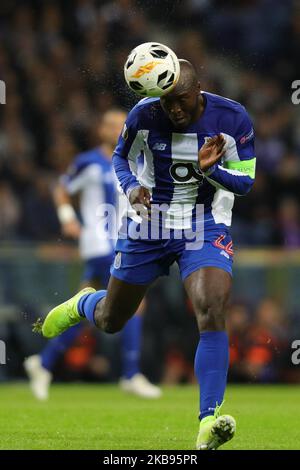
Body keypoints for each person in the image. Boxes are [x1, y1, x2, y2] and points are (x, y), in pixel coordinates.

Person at [39, 59, 255, 450]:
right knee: (111, 320)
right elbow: (120, 158)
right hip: (149, 225)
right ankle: (84, 304)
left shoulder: (233, 117)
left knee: (211, 308)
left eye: (182, 101)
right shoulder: (143, 113)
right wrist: (132, 188)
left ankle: (208, 421)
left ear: (198, 92)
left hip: (203, 225)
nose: (174, 109)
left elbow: (246, 181)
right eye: (166, 101)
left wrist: (213, 172)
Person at [25, 109, 161, 400]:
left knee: (88, 308)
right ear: (100, 129)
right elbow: (60, 188)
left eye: (119, 124)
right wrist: (67, 217)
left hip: (124, 240)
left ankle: (44, 362)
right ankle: (130, 374)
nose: (114, 129)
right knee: (135, 304)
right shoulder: (89, 162)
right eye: (109, 124)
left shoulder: (137, 162)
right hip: (101, 243)